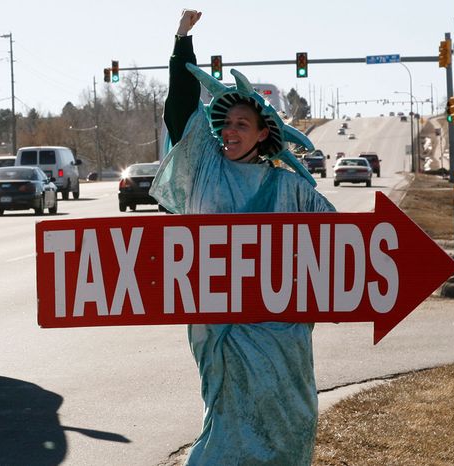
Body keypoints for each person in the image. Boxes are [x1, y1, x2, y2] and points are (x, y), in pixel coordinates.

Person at [149, 9, 336, 465]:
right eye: (225, 124)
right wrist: (181, 42)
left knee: (290, 419)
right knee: (228, 417)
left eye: (241, 125)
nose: (229, 132)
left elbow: (339, 245)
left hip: (281, 331)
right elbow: (179, 109)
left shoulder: (291, 189)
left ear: (263, 134)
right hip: (220, 327)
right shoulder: (204, 168)